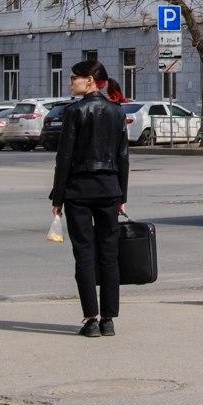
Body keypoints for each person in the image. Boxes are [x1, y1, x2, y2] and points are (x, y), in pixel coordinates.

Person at [52, 59, 131, 337]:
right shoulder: (116, 112)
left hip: (79, 191)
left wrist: (57, 196)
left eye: (75, 77)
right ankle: (109, 318)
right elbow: (123, 156)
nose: (70, 81)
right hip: (110, 189)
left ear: (90, 80)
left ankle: (91, 319)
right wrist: (122, 193)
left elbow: (64, 156)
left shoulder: (74, 111)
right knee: (109, 254)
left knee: (84, 254)